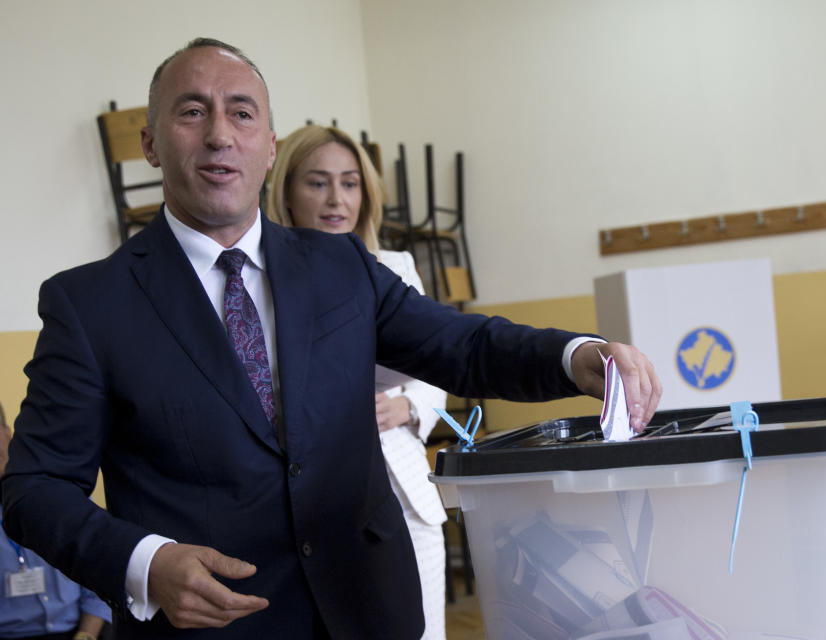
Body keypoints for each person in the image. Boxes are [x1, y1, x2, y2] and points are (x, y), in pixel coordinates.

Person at [0, 37, 662, 640]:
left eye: (241, 113)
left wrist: (577, 355)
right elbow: (33, 488)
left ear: (269, 143)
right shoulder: (89, 304)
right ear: (150, 143)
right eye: (192, 112)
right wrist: (146, 563)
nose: (219, 135)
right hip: (213, 628)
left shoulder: (340, 266)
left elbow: (461, 344)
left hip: (370, 607)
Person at [268, 125, 449, 639]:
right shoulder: (262, 279)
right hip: (321, 501)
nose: (335, 199)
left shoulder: (394, 267)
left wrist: (409, 407)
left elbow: (436, 360)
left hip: (403, 483)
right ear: (286, 191)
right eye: (317, 183)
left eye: (349, 184)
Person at [0, 403, 112, 640]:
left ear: (7, 433)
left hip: (82, 631)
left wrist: (86, 635)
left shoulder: (62, 490)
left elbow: (99, 575)